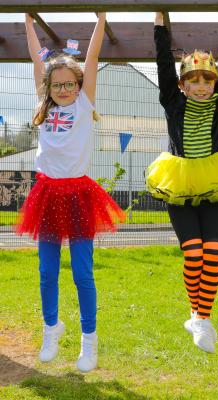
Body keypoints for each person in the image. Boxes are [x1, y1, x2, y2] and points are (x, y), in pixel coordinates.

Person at [17, 13, 125, 372]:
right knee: (47, 271)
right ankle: (51, 327)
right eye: (56, 85)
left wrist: (101, 20)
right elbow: (37, 58)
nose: (63, 90)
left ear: (78, 85)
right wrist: (28, 21)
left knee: (82, 273)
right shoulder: (44, 109)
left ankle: (88, 341)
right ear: (48, 88)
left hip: (78, 194)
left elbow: (91, 58)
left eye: (69, 84)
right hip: (47, 194)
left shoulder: (83, 104)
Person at [146, 12, 218, 353]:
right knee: (193, 253)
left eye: (207, 81)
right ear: (182, 85)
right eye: (194, 81)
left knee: (215, 252)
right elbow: (164, 62)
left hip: (212, 182)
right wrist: (160, 23)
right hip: (180, 184)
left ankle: (202, 317)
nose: (201, 87)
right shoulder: (172, 100)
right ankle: (196, 314)